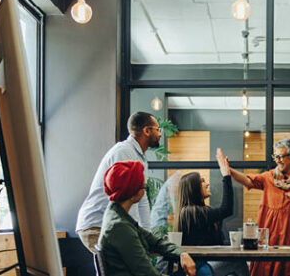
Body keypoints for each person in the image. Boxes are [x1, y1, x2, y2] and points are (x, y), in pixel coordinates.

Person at [217, 138, 290, 276]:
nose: (277, 160)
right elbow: (248, 180)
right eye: (275, 156)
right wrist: (228, 170)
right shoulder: (269, 177)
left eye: (281, 156)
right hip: (272, 236)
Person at [76, 111, 161, 252]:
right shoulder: (124, 152)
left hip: (109, 226)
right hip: (98, 225)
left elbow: (142, 199)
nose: (159, 134)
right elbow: (123, 196)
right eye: (158, 130)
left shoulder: (140, 158)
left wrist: (147, 235)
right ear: (147, 130)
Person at [98, 161, 196, 276]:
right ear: (135, 193)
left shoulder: (117, 215)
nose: (145, 190)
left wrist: (182, 253)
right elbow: (147, 273)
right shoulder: (120, 227)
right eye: (144, 186)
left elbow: (156, 242)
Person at [174, 149, 234, 275]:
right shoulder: (190, 212)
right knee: (238, 263)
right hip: (199, 267)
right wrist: (226, 176)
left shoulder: (200, 212)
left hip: (207, 264)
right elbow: (226, 209)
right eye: (202, 181)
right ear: (193, 188)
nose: (207, 184)